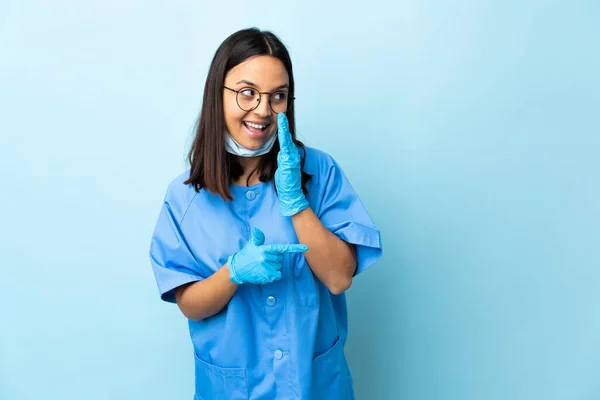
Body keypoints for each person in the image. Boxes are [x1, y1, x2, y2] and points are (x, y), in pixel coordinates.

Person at [149, 27, 383, 400]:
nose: (263, 109)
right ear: (218, 94)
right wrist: (234, 272)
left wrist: (296, 203)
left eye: (278, 96)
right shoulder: (185, 197)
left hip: (315, 385)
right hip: (233, 389)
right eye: (247, 93)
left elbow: (339, 278)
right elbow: (190, 304)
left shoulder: (318, 173)